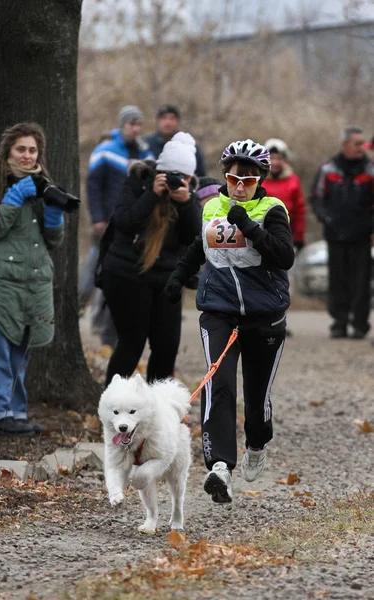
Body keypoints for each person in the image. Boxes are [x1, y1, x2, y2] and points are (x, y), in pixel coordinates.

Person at [165, 139, 294, 503]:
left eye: (248, 180)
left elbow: (284, 256)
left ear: (260, 180)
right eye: (234, 178)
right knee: (218, 385)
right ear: (225, 176)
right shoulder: (210, 207)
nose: (239, 186)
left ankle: (257, 443)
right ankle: (219, 466)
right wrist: (179, 275)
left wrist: (250, 227)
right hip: (219, 313)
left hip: (264, 316)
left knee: (256, 398)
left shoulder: (272, 209)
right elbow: (198, 247)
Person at [0, 122, 78, 437]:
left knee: (22, 351)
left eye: (32, 150)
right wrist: (14, 195)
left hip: (34, 282)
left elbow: (55, 240)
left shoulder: (44, 183)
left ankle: (17, 413)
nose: (26, 155)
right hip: (3, 281)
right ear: (8, 150)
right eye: (20, 149)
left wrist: (53, 213)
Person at [101, 132, 201, 386]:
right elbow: (124, 222)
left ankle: (160, 413)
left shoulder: (190, 196)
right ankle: (113, 408)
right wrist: (152, 195)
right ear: (161, 171)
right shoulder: (139, 181)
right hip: (128, 274)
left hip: (166, 279)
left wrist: (187, 203)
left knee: (167, 348)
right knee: (131, 344)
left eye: (186, 177)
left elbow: (195, 238)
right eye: (173, 175)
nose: (179, 181)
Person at [81, 105, 153, 348]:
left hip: (135, 227)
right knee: (97, 273)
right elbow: (93, 186)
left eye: (138, 124)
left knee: (125, 279)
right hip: (108, 225)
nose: (136, 129)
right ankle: (83, 310)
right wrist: (98, 218)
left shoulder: (146, 153)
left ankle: (115, 330)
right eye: (131, 124)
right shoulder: (105, 151)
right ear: (122, 125)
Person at [310, 125, 374, 340]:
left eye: (363, 144)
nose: (361, 148)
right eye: (357, 144)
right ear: (344, 144)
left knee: (361, 282)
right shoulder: (328, 169)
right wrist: (325, 217)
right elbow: (317, 198)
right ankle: (339, 322)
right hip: (335, 235)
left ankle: (359, 324)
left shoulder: (370, 169)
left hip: (362, 236)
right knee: (337, 281)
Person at [263, 138, 306, 251]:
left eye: (279, 158)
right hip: (263, 233)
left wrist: (299, 236)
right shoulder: (259, 180)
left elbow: (300, 209)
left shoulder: (292, 179)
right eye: (272, 158)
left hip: (287, 232)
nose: (275, 162)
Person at [145, 104, 206, 177]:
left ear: (177, 121)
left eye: (172, 119)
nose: (168, 122)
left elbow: (200, 175)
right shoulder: (146, 145)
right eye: (164, 118)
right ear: (158, 121)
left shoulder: (189, 146)